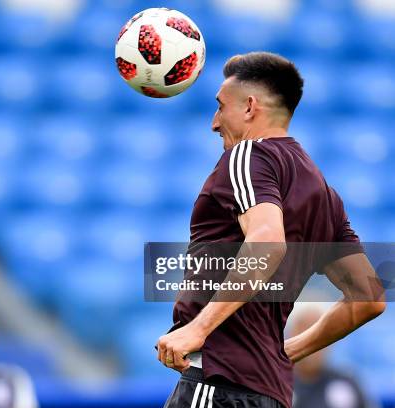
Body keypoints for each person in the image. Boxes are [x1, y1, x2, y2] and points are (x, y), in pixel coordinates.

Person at [156, 52, 386, 408]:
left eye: (220, 107)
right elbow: (368, 298)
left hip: (218, 384)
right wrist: (286, 352)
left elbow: (266, 242)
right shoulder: (324, 193)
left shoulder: (248, 155)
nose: (214, 123)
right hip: (270, 394)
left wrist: (199, 329)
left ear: (249, 107)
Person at [291, 306, 373, 408]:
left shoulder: (347, 383)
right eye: (303, 328)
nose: (311, 340)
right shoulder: (274, 385)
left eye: (318, 331)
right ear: (290, 335)